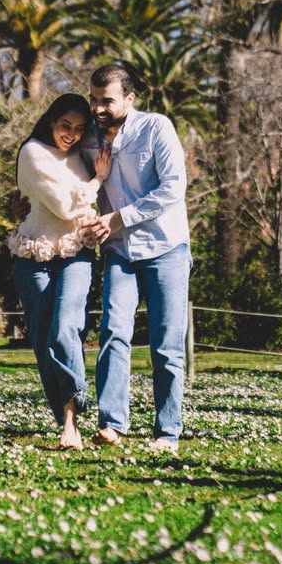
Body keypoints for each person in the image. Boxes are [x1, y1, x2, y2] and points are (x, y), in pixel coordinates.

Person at [78, 64, 191, 454]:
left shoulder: (156, 128)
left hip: (167, 248)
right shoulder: (87, 139)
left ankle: (168, 432)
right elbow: (77, 187)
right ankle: (112, 423)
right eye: (93, 99)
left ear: (129, 98)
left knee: (166, 345)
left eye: (106, 100)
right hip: (120, 252)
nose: (97, 108)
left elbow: (173, 187)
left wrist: (118, 218)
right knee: (113, 331)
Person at [9, 94, 111, 449]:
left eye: (79, 129)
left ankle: (72, 421)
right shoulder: (32, 152)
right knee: (43, 339)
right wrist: (97, 181)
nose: (71, 134)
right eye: (65, 126)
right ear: (51, 120)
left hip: (76, 252)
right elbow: (65, 205)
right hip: (33, 255)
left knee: (66, 327)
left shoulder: (82, 155)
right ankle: (64, 414)